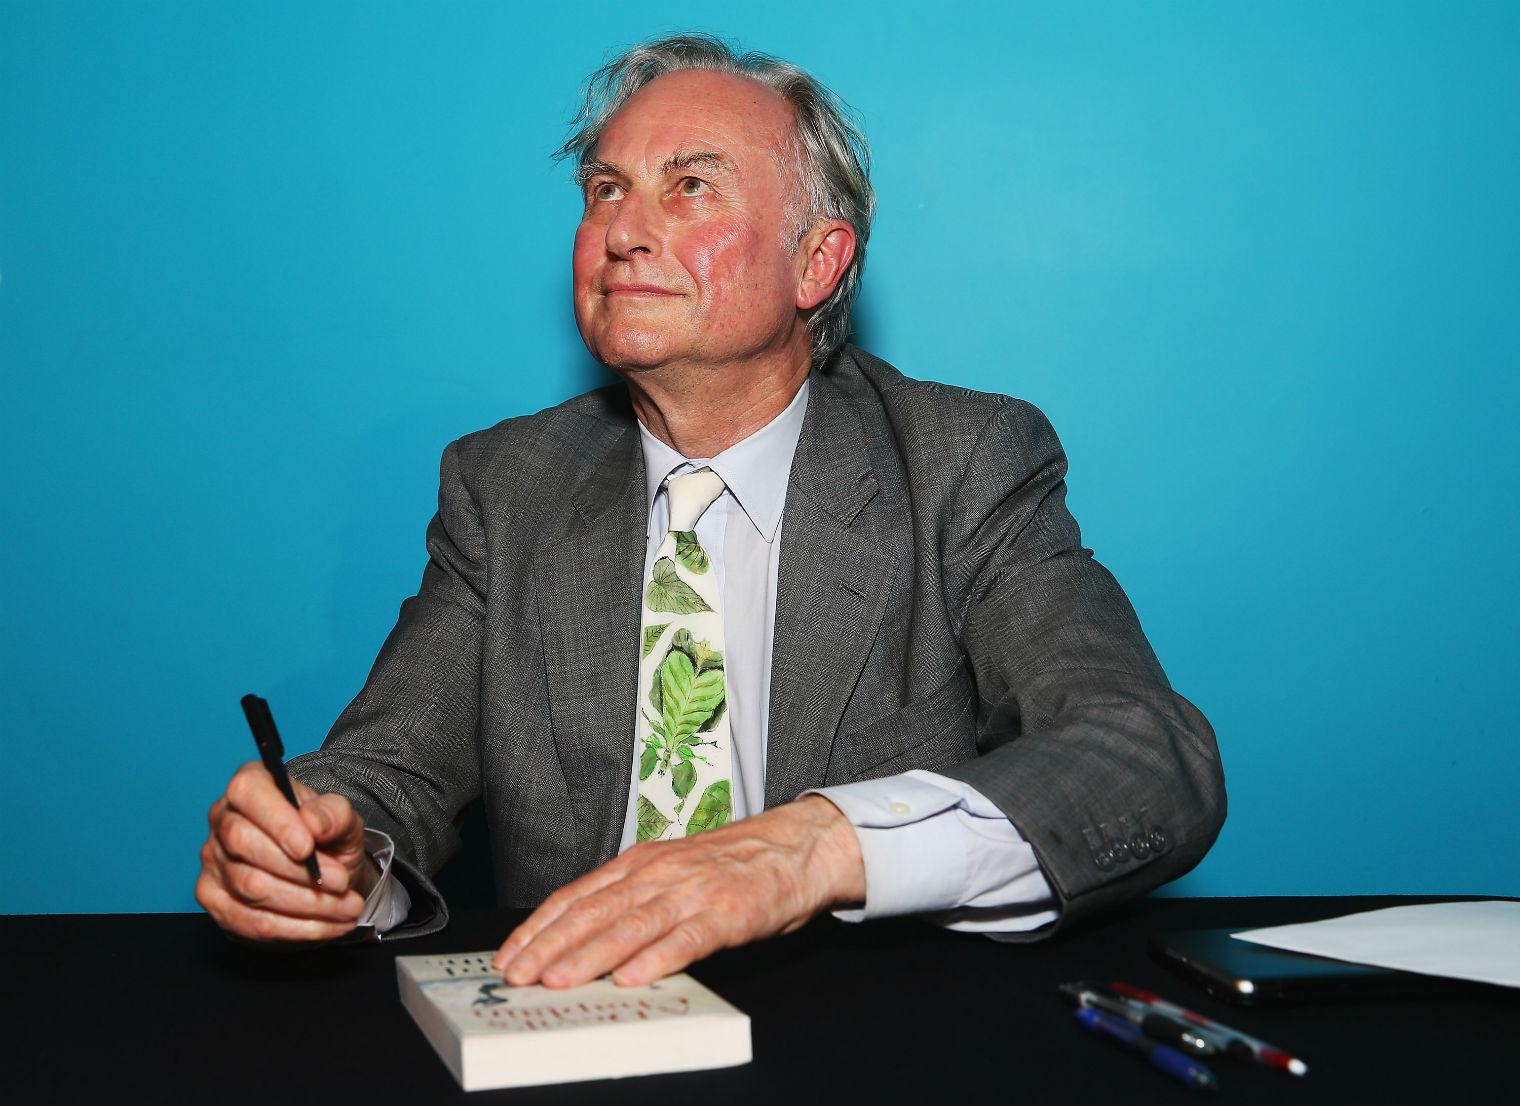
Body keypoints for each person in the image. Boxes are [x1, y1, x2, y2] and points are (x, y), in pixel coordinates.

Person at [196, 34, 1226, 988]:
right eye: (605, 191)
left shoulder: (961, 463)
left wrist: (809, 847)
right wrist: (322, 853)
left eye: (688, 187)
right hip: (570, 1027)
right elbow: (386, 772)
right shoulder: (504, 483)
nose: (622, 231)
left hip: (865, 1035)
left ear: (815, 263)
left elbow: (1144, 757)